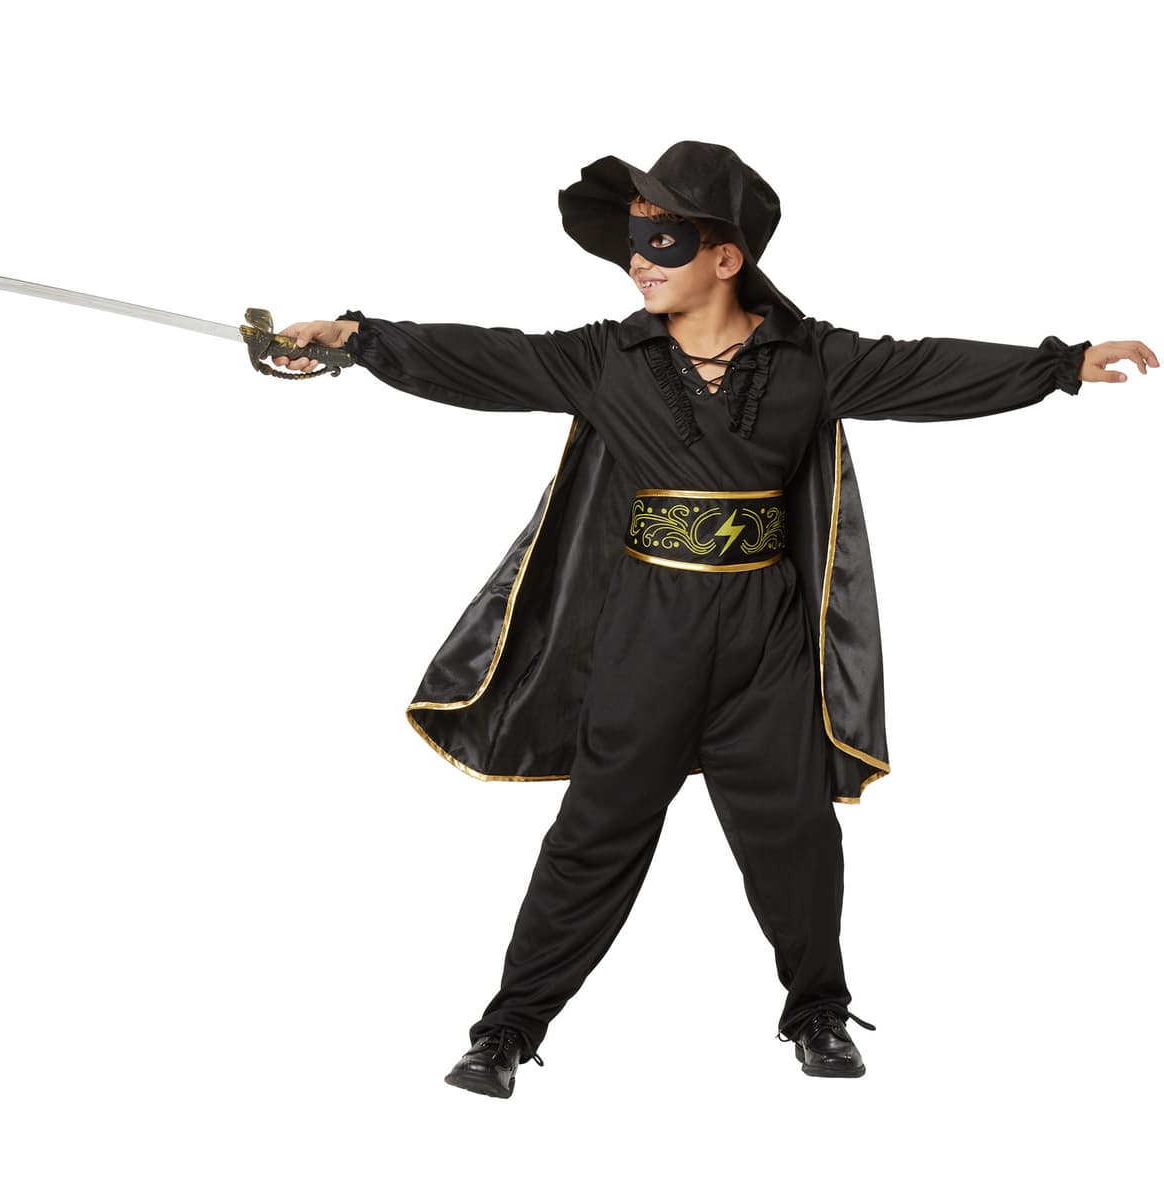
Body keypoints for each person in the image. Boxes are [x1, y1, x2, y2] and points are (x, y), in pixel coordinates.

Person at [271, 142, 1156, 1097]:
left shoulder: (811, 359)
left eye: (662, 240)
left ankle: (817, 1012)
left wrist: (1062, 366)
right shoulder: (607, 358)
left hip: (765, 644)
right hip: (647, 634)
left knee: (796, 836)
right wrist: (356, 339)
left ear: (726, 256)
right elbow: (483, 356)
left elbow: (924, 371)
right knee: (595, 834)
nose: (638, 259)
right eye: (633, 241)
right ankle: (508, 1030)